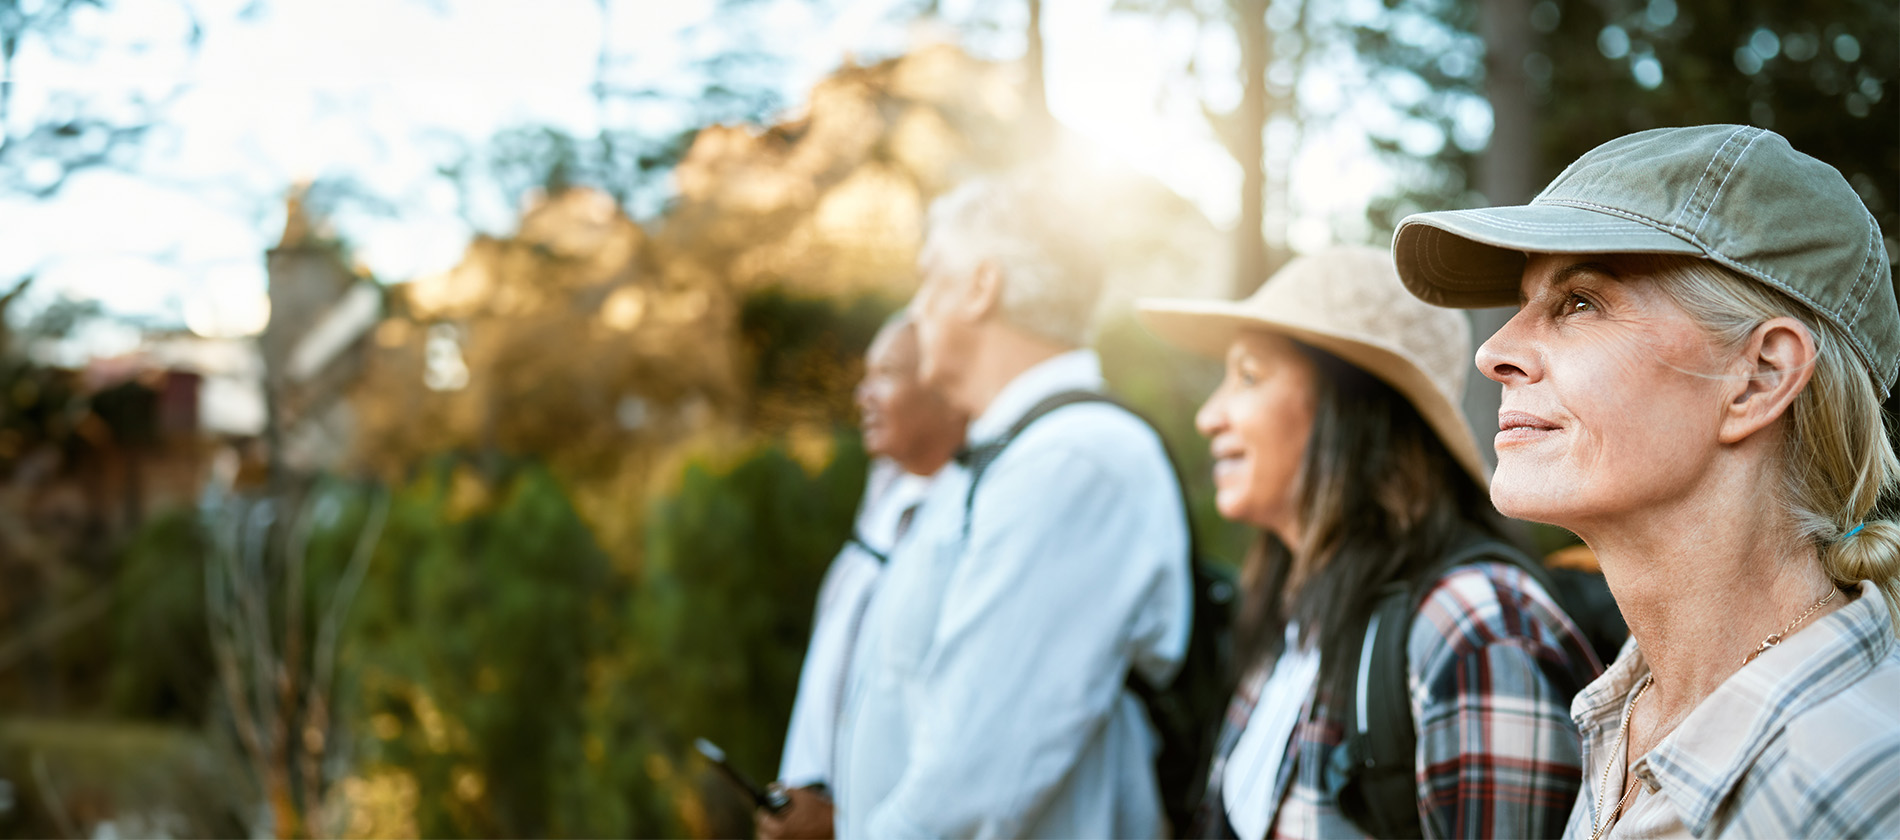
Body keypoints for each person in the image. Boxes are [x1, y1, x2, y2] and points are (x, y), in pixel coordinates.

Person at [1392, 124, 1900, 838]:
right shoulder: (1627, 714)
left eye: (1579, 302)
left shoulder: (1859, 784)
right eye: (1523, 301)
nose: (1494, 350)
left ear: (1760, 377)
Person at [1137, 245, 1600, 839]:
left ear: (1353, 405)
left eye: (1249, 376)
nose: (1210, 415)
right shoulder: (1293, 614)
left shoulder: (1474, 624)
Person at [830, 174, 1194, 839]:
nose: (915, 311)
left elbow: (972, 775)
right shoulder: (1004, 459)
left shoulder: (1073, 462)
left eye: (930, 277)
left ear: (980, 287)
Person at [758, 314, 966, 840]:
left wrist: (842, 821)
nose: (862, 394)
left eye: (887, 374)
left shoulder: (962, 525)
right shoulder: (886, 506)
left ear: (946, 385)